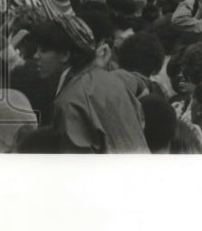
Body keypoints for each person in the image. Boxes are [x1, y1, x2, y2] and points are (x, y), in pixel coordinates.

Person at [32, 15, 149, 153]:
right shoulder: (113, 80)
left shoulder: (70, 100)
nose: (36, 56)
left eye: (43, 51)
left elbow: (79, 166)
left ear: (65, 55)